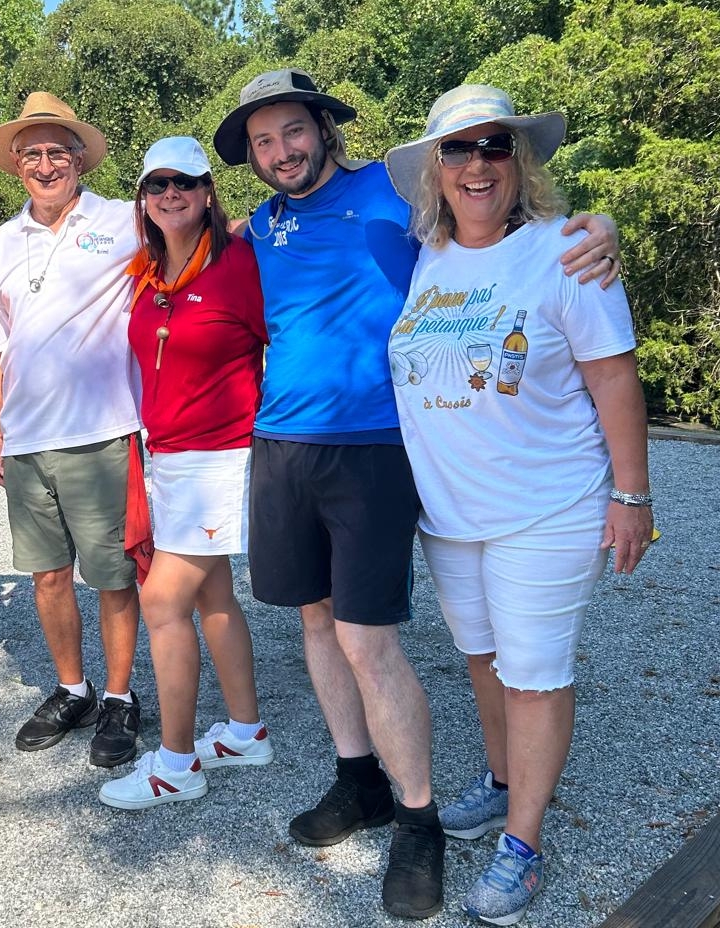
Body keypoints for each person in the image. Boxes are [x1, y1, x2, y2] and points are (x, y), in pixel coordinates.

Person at [211, 68, 622, 919]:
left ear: (325, 128)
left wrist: (600, 225)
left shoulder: (396, 199)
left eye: (294, 130)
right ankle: (357, 778)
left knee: (367, 640)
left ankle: (417, 818)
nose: (282, 150)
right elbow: (175, 255)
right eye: (263, 140)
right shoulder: (261, 226)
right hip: (282, 442)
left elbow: (500, 222)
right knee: (316, 621)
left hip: (374, 447)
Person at [383, 84, 651, 925]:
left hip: (548, 506)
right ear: (435, 169)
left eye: (493, 145)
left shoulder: (565, 250)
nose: (476, 164)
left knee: (533, 677)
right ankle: (501, 782)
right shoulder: (423, 253)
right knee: (481, 659)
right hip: (449, 517)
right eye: (457, 149)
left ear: (518, 160)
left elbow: (614, 378)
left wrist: (631, 494)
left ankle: (523, 846)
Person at [98, 137, 271, 810]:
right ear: (143, 198)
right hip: (168, 456)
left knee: (162, 601)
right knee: (212, 597)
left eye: (185, 182)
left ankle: (175, 766)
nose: (170, 194)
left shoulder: (239, 263)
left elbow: (281, 339)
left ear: (207, 193)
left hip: (219, 458)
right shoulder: (146, 272)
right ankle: (246, 732)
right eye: (157, 184)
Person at [0, 93, 143, 768]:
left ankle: (121, 697)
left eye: (57, 152)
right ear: (16, 163)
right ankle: (73, 689)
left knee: (112, 577)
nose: (45, 165)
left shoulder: (122, 219)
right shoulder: (1, 242)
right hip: (26, 438)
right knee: (48, 577)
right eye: (32, 154)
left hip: (102, 432)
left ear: (79, 158)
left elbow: (197, 234)